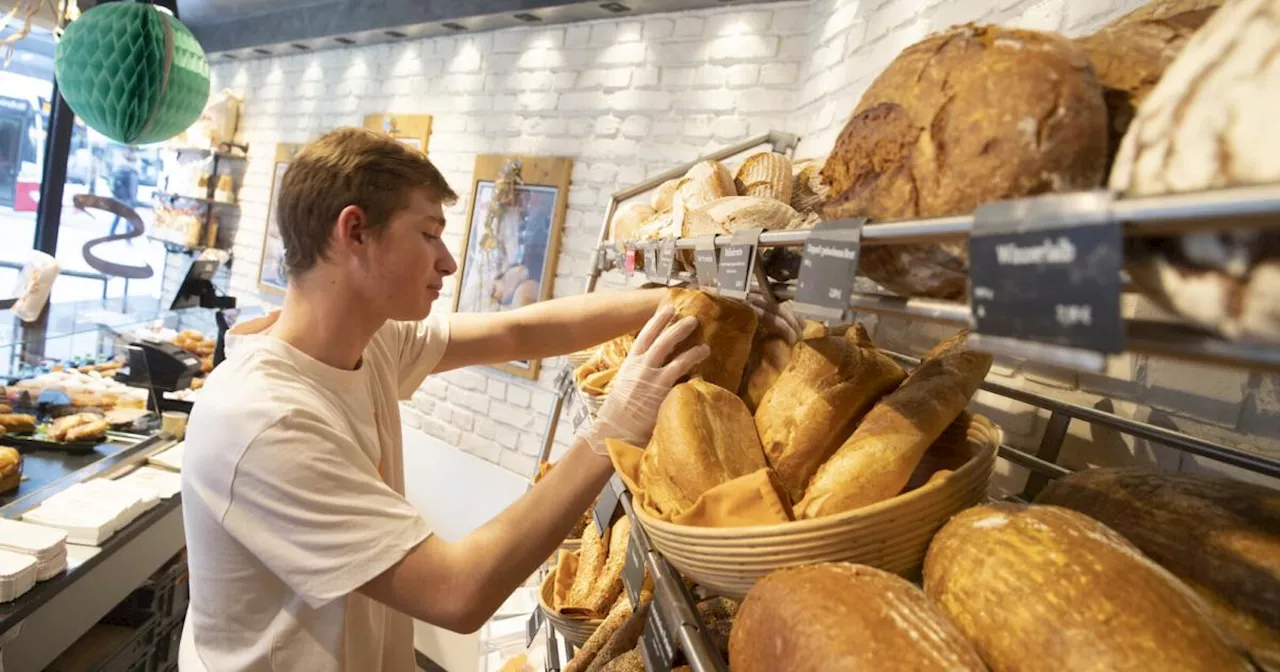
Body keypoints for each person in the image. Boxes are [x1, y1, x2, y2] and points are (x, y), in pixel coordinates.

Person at [178, 127, 796, 672]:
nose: (448, 261)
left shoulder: (370, 343)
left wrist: (683, 302)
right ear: (355, 232)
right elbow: (456, 593)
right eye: (428, 234)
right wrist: (615, 427)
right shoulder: (264, 419)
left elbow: (519, 331)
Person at [109, 148, 140, 238]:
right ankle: (128, 237)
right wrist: (134, 201)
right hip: (128, 200)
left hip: (118, 198)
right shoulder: (132, 173)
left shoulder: (118, 169)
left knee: (117, 217)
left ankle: (111, 234)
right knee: (129, 219)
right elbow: (132, 189)